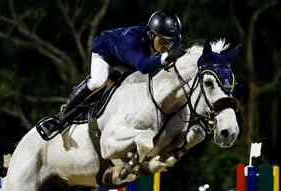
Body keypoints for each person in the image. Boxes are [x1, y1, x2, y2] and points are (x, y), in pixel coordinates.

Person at [36, 10, 184, 139]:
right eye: (164, 41)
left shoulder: (172, 40)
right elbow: (144, 67)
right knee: (98, 81)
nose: (168, 46)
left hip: (131, 60)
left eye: (171, 42)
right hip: (106, 51)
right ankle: (62, 115)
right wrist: (166, 57)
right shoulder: (130, 41)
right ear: (151, 35)